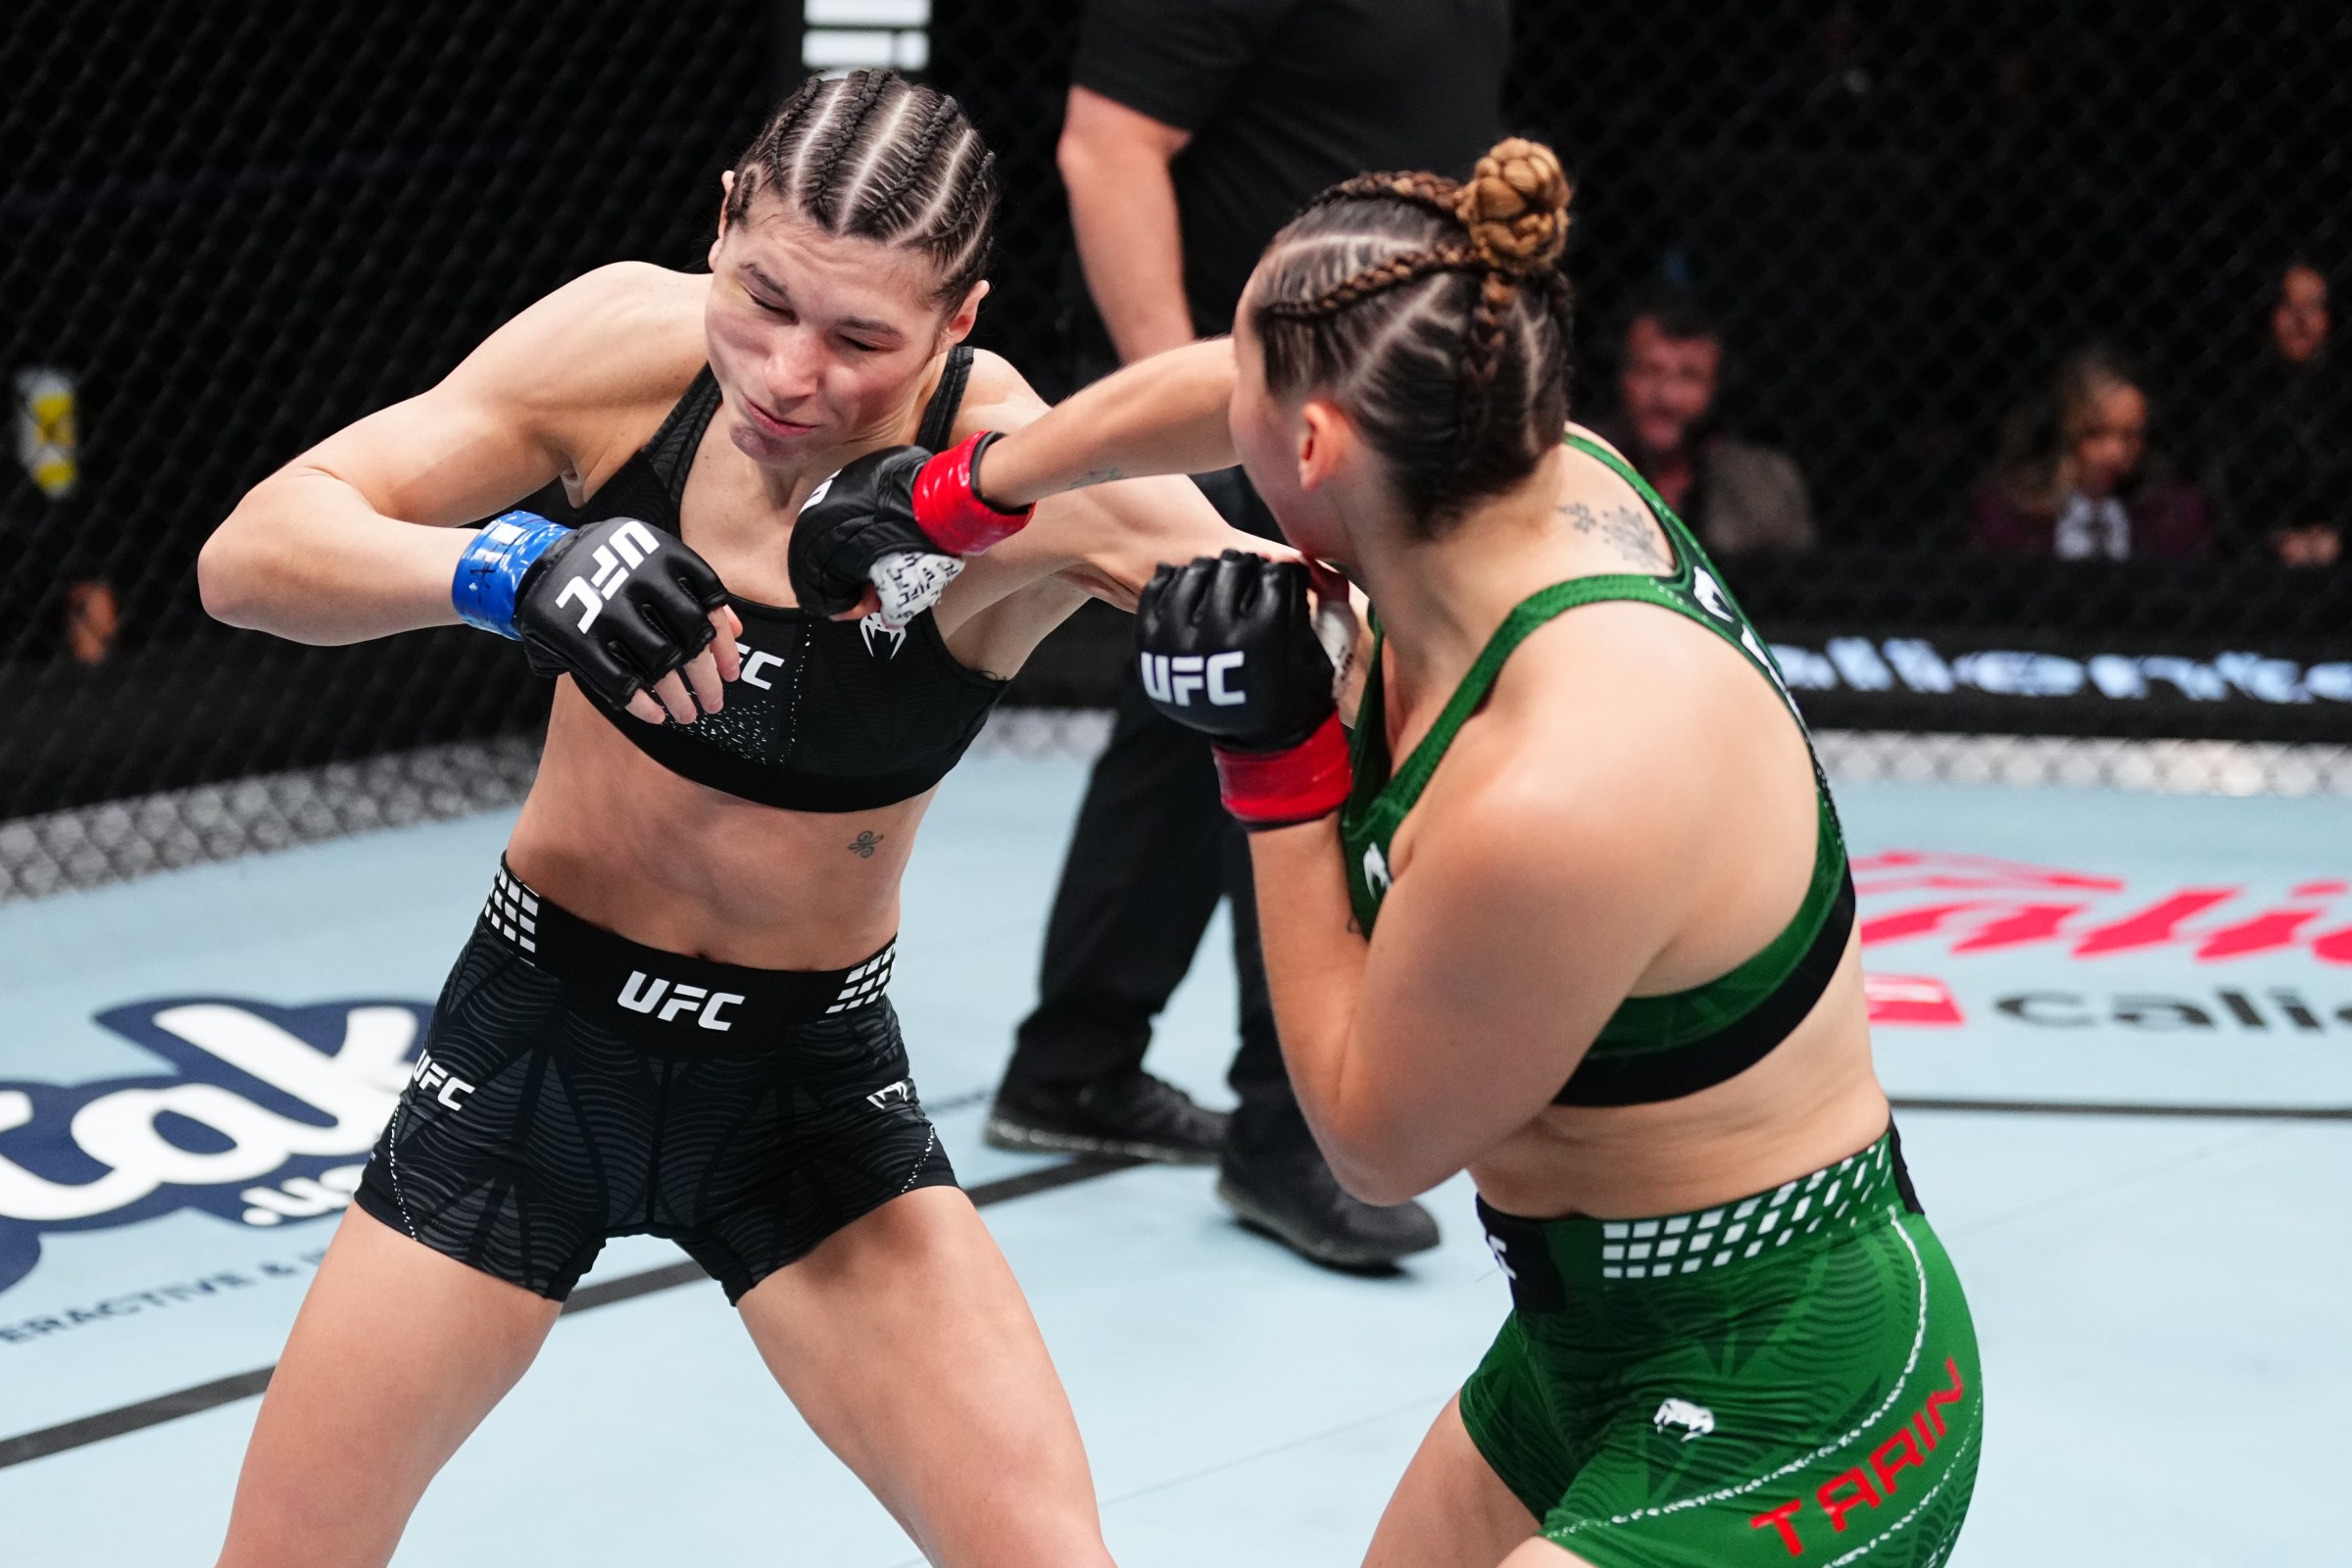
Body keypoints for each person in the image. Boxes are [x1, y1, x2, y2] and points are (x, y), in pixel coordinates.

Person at [193, 70, 1276, 1568]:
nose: (786, 373)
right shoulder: (623, 347)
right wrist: (504, 572)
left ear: (958, 322)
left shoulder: (1024, 470)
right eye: (762, 299)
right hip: (531, 1056)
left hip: (803, 1094)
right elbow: (248, 557)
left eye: (860, 339)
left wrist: (1276, 634)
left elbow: (1327, 633)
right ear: (722, 224)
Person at [971, 139, 1983, 1566]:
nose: (1222, 411)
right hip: (1579, 1351)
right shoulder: (1527, 465)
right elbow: (1237, 384)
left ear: (1312, 448)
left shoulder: (1559, 777)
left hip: (1804, 1391)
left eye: (1251, 398)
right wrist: (976, 486)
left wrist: (1276, 769)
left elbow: (1374, 1143)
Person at [988, 0, 1509, 1270]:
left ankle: (1075, 1063)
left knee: (1189, 709)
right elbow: (1106, 149)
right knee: (1303, 690)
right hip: (1269, 420)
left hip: (1358, 407)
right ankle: (1290, 1127)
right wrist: (1211, 432)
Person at [1589, 290, 1816, 557]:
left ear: (1717, 387)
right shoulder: (1577, 467)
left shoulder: (1765, 484)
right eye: (1648, 371)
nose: (1666, 397)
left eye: (1689, 377)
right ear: (1621, 377)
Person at [1965, 344, 2213, 560]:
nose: (2115, 453)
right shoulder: (2005, 517)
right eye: (2094, 433)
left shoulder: (2177, 517)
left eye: (2131, 435)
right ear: (2061, 429)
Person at [2208, 259, 2347, 568]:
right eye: (2288, 305)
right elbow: (2222, 500)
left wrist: (2339, 537)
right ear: (2269, 315)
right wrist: (2271, 542)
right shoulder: (2235, 402)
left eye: (2314, 306)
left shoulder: (2343, 402)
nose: (2300, 319)